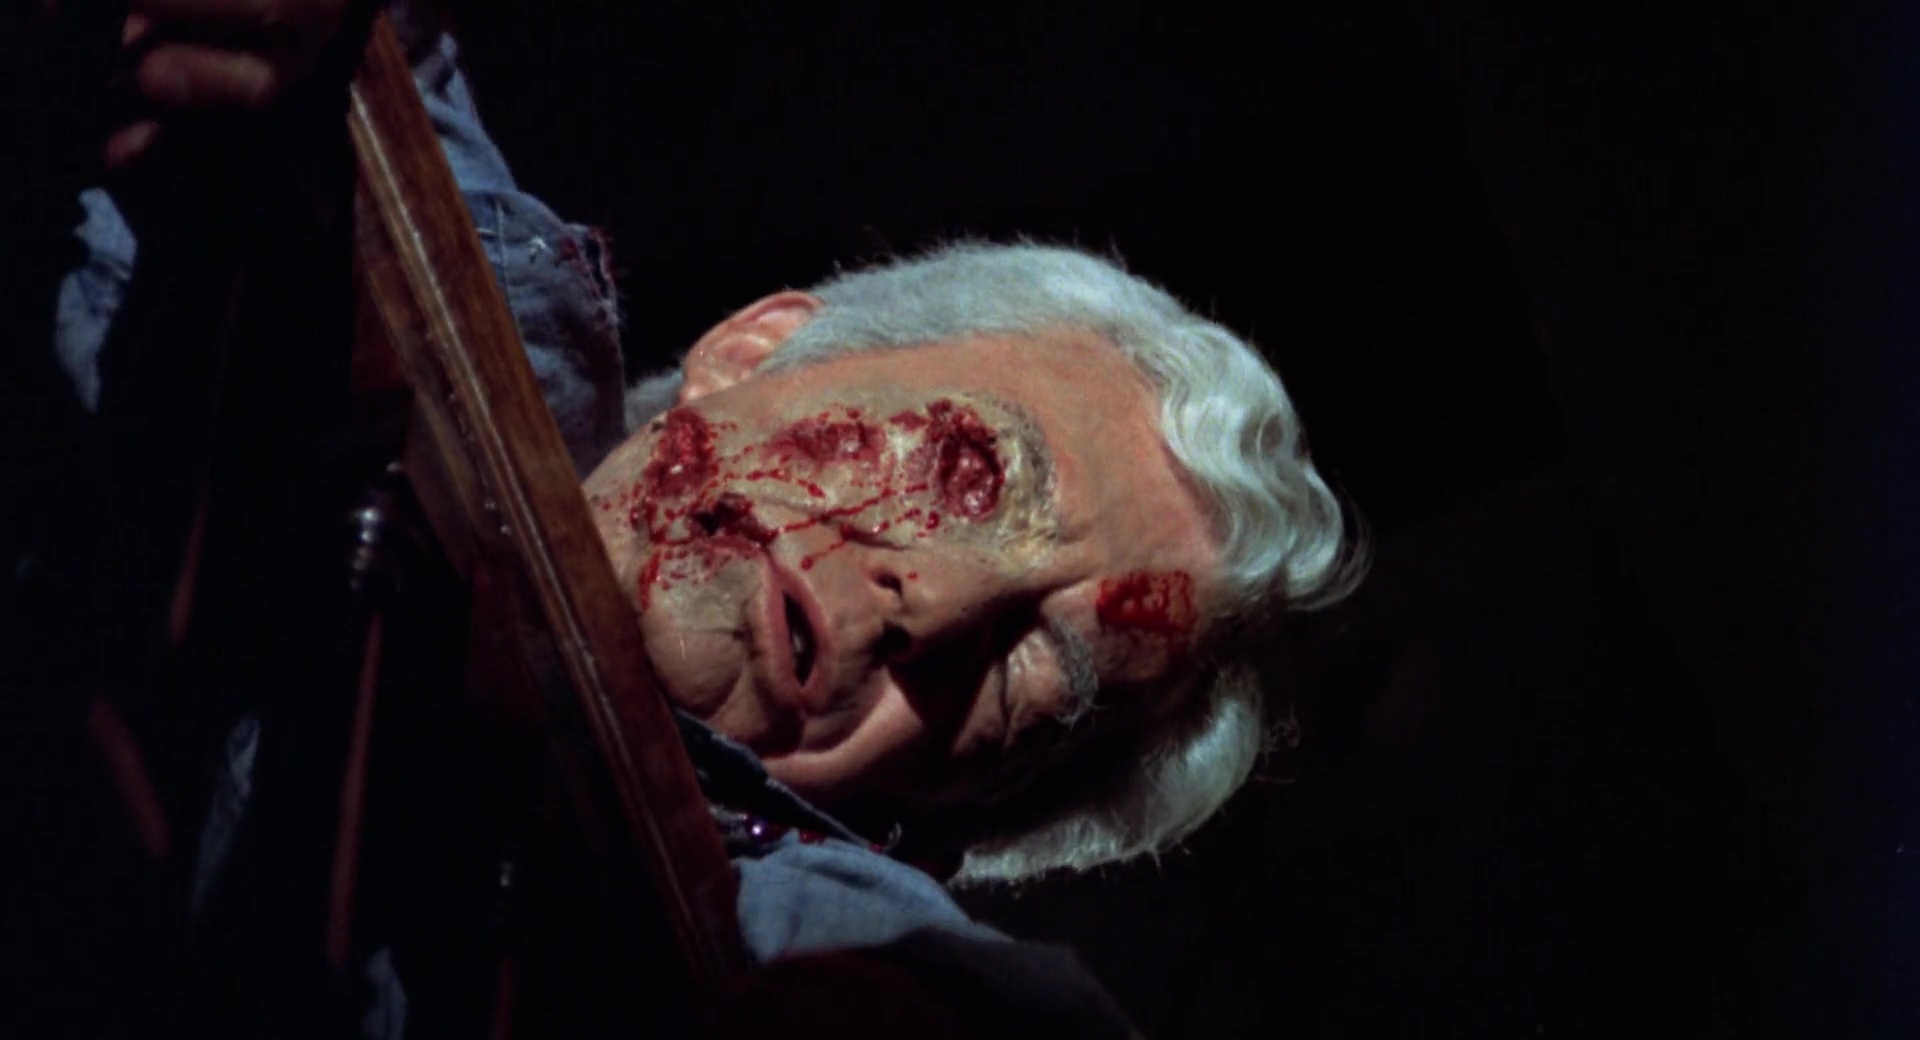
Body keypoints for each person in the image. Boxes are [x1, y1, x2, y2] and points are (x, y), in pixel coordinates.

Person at [43, 1, 1360, 1034]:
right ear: (758, 348)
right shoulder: (465, 257)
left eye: (1025, 689)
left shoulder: (800, 923)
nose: (939, 611)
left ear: (934, 823)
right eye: (981, 480)